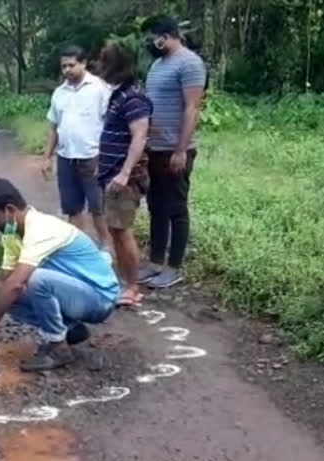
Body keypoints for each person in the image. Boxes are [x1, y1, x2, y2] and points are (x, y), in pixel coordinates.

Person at [0, 178, 120, 372]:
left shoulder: (41, 229)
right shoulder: (12, 235)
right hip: (76, 294)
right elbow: (5, 281)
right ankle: (70, 330)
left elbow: (17, 283)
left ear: (10, 209)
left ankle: (58, 348)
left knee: (33, 280)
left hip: (100, 298)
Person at [138, 15, 207, 289]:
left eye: (151, 37)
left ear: (165, 35)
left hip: (176, 150)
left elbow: (192, 108)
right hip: (155, 149)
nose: (149, 43)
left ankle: (174, 267)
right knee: (156, 206)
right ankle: (155, 262)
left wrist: (181, 150)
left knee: (176, 208)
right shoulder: (156, 65)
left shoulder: (190, 63)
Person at [97, 43, 153, 308]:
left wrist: (125, 172)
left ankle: (133, 287)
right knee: (115, 230)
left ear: (117, 66)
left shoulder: (134, 98)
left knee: (123, 230)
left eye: (104, 62)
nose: (100, 67)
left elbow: (140, 136)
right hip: (112, 175)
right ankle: (125, 283)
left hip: (125, 178)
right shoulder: (119, 95)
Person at [41, 45, 112, 249]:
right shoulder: (59, 93)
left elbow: (109, 125)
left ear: (83, 63)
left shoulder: (99, 88)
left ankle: (105, 247)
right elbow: (54, 128)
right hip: (66, 157)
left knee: (97, 207)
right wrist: (47, 158)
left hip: (93, 157)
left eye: (71, 65)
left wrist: (106, 158)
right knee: (72, 208)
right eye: (63, 66)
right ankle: (78, 250)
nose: (67, 70)